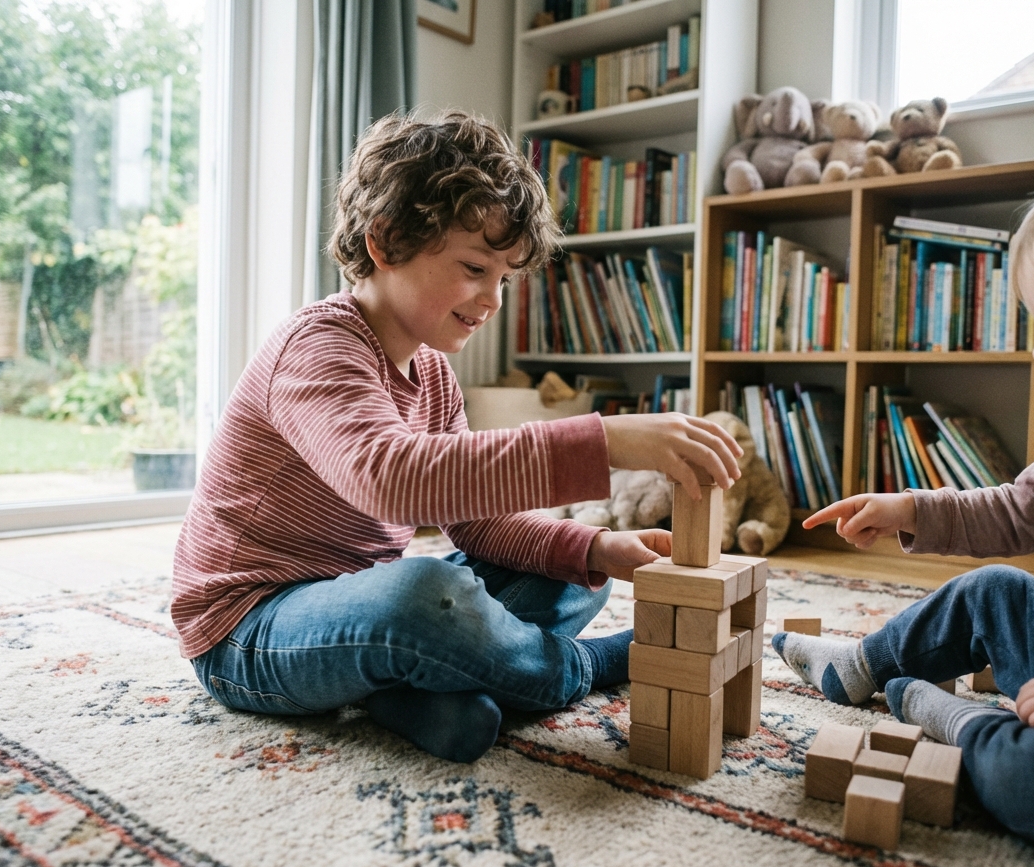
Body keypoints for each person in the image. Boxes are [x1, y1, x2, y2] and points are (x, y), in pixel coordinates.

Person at [171, 110, 742, 764]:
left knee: (575, 574)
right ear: (385, 242)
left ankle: (414, 688)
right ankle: (569, 671)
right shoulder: (317, 347)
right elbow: (393, 479)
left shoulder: (435, 374)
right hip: (250, 631)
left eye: (504, 277)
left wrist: (598, 548)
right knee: (417, 596)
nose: (493, 299)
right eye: (474, 267)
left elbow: (476, 525)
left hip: (357, 611)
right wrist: (605, 441)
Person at [773, 139, 1034, 861]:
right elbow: (1013, 511)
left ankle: (954, 719)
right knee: (997, 589)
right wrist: (910, 509)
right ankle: (863, 664)